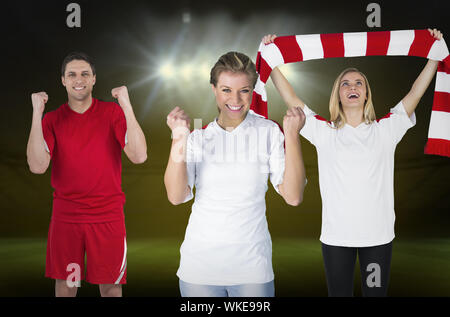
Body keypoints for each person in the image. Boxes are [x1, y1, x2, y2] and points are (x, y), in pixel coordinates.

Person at [262, 28, 443, 297]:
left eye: (359, 83)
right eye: (345, 84)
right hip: (336, 240)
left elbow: (415, 92)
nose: (352, 87)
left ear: (367, 94)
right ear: (338, 95)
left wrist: (434, 55)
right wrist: (272, 60)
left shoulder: (386, 129)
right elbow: (292, 99)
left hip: (378, 239)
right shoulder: (323, 131)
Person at [164, 51, 307, 297]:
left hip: (252, 270)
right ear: (214, 89)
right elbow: (176, 196)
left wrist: (292, 136)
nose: (236, 99)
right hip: (199, 270)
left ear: (253, 91)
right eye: (226, 89)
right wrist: (178, 137)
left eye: (244, 90)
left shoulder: (269, 132)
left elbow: (293, 196)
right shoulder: (197, 137)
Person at [26, 52, 147, 297]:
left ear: (93, 79)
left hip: (107, 216)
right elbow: (37, 166)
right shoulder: (51, 119)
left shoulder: (112, 114)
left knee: (111, 287)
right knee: (67, 285)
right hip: (67, 218)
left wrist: (126, 104)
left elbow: (139, 155)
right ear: (63, 80)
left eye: (84, 74)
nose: (78, 79)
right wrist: (36, 113)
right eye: (72, 74)